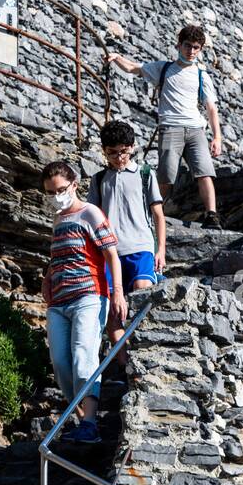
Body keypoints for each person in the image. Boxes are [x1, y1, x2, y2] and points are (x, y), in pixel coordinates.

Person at [40, 160, 128, 443]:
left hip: (89, 296)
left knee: (82, 356)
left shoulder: (90, 213)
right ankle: (81, 420)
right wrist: (46, 279)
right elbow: (57, 257)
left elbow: (111, 255)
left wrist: (117, 292)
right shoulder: (58, 220)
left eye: (61, 190)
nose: (57, 196)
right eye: (51, 192)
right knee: (60, 363)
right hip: (59, 301)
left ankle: (90, 422)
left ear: (74, 185)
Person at [105, 23, 224, 228]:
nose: (191, 51)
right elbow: (134, 68)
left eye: (196, 47)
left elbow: (211, 108)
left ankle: (211, 215)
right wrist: (116, 58)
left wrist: (217, 137)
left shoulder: (202, 76)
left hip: (196, 129)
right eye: (188, 46)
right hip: (171, 127)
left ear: (201, 49)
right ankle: (150, 213)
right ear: (179, 45)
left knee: (204, 171)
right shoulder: (164, 68)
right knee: (166, 175)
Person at [87, 119, 164, 369]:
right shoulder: (99, 179)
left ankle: (144, 357)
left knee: (142, 294)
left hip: (140, 247)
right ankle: (125, 365)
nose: (118, 157)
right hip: (109, 253)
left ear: (132, 147)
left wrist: (160, 250)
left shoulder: (145, 175)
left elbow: (158, 215)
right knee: (112, 309)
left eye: (123, 151)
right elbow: (91, 218)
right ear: (104, 151)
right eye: (112, 152)